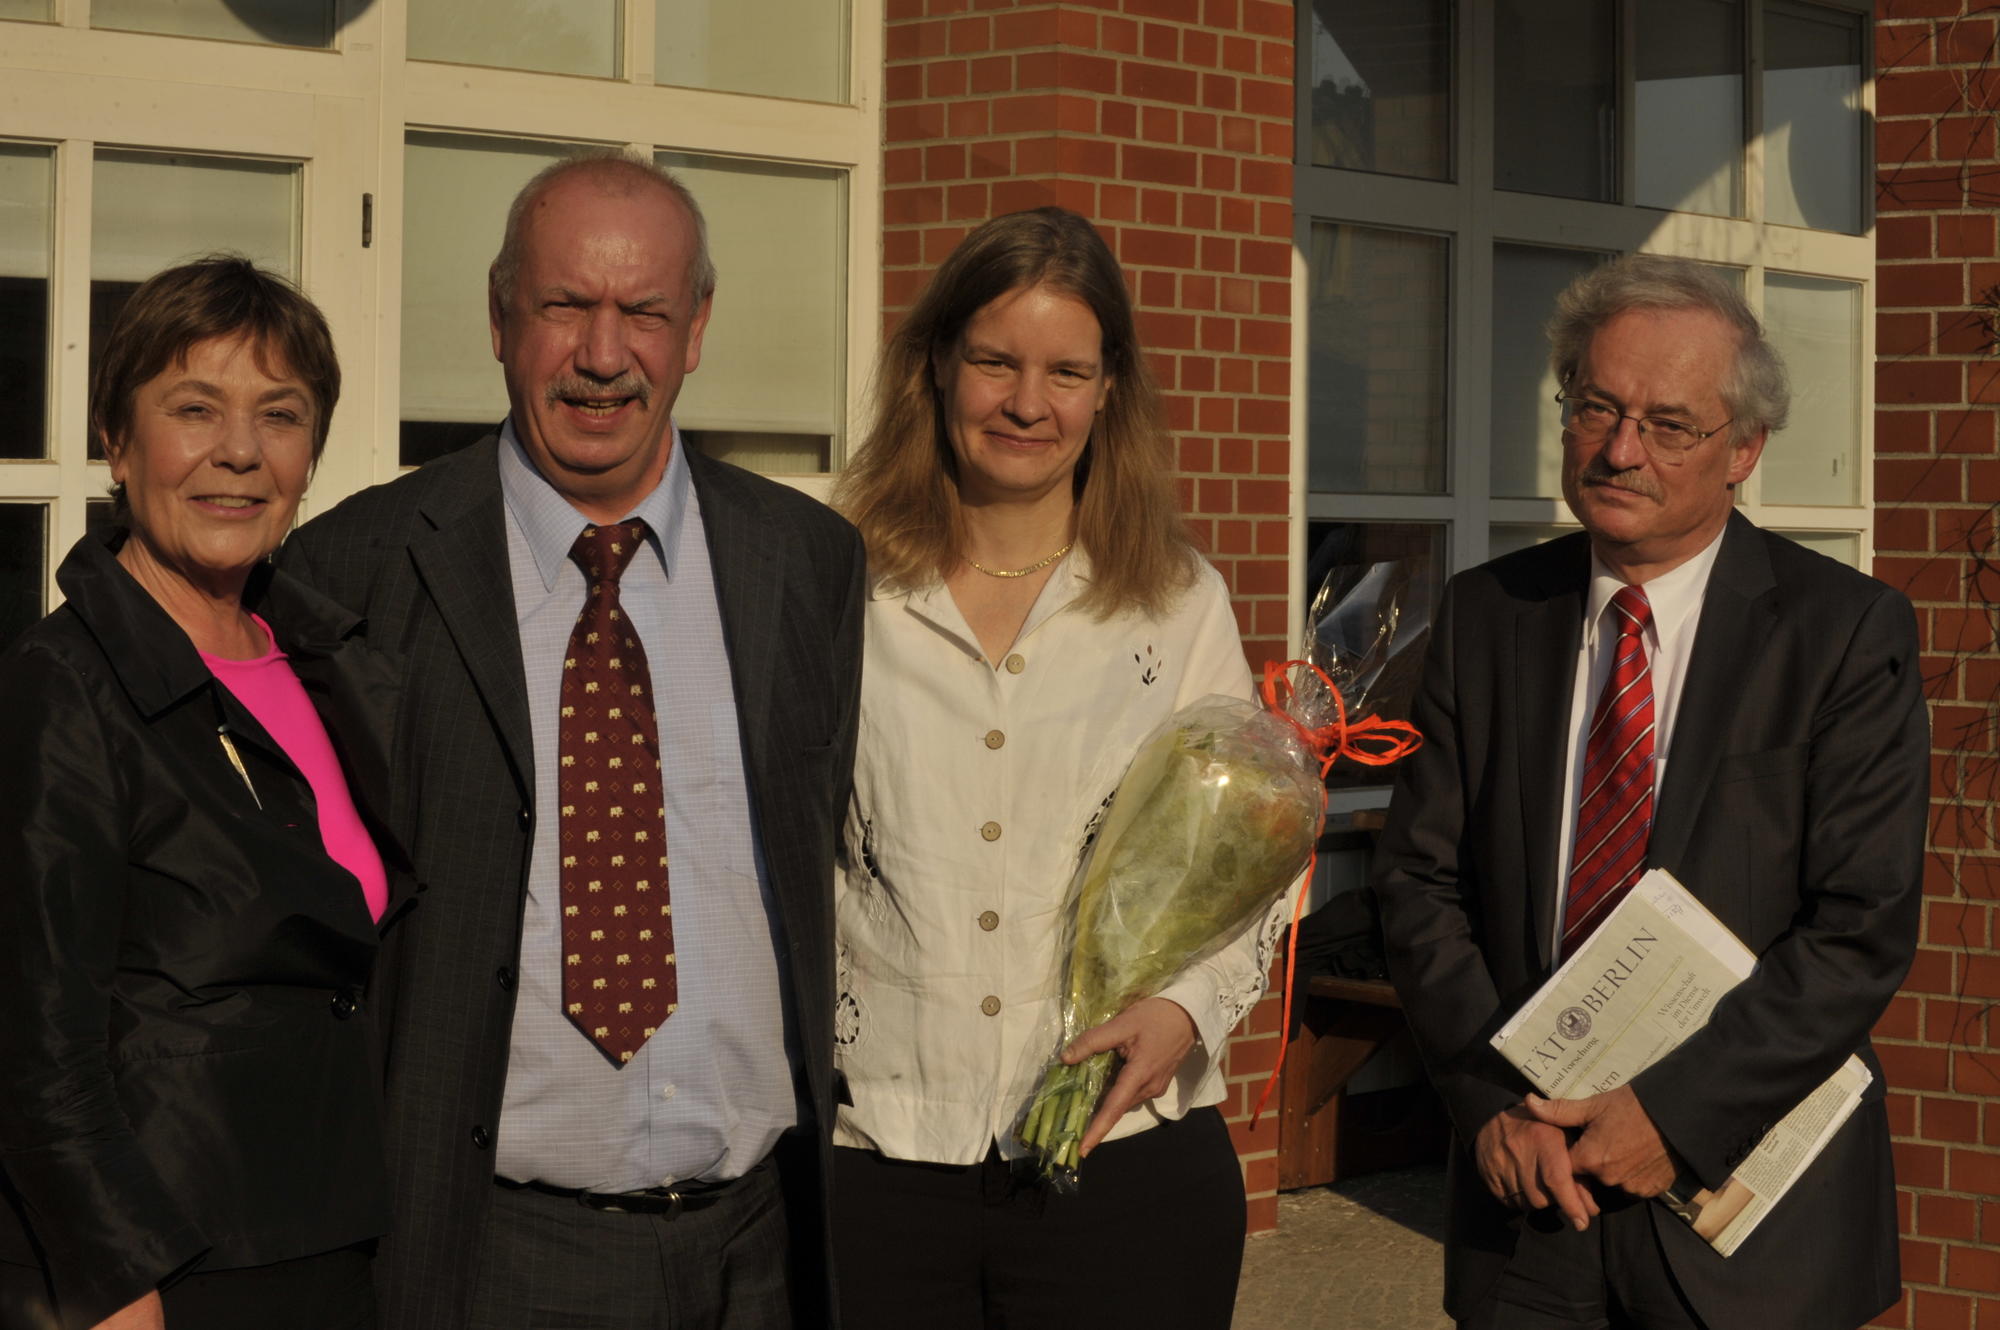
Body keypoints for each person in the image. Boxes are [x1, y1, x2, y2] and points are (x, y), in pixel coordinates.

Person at [278, 150, 865, 1330]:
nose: (604, 355)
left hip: (760, 1249)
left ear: (695, 328)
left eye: (644, 311)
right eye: (565, 306)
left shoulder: (803, 562)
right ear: (500, 318)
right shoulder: (353, 570)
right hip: (495, 1252)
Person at [1373, 254, 1927, 1329]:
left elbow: (1857, 929)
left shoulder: (1843, 634)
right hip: (1528, 1206)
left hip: (1747, 1230)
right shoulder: (1488, 615)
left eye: (1668, 424)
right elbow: (1416, 883)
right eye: (1595, 407)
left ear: (1743, 452)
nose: (1619, 450)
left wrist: (1669, 1114)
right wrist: (1489, 1100)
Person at [828, 206, 1281, 1329]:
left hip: (1119, 1161)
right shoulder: (827, 574)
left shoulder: (1177, 602)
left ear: (1108, 387)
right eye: (993, 360)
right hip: (872, 1159)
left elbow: (1249, 863)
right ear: (935, 363)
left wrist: (1182, 1009)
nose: (1027, 403)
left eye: (1065, 371)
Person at [0, 257, 401, 1330]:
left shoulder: (323, 662)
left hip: (333, 1244)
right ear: (116, 442)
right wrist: (119, 1287)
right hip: (171, 1269)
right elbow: (36, 1044)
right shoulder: (63, 685)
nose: (239, 451)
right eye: (194, 408)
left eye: (280, 413)